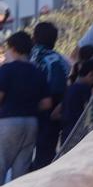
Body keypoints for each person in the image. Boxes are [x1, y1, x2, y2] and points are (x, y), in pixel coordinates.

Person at [0, 32, 52, 182]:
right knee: (21, 172)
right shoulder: (38, 72)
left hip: (8, 122)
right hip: (31, 123)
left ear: (13, 48)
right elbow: (47, 103)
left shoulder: (6, 70)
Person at [29, 22, 70, 170]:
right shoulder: (58, 59)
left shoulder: (26, 56)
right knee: (44, 158)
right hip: (50, 114)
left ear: (34, 37)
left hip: (26, 112)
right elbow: (59, 87)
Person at [55, 57, 93, 144]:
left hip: (66, 133)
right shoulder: (85, 89)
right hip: (78, 133)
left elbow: (56, 113)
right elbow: (90, 110)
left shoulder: (70, 88)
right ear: (91, 74)